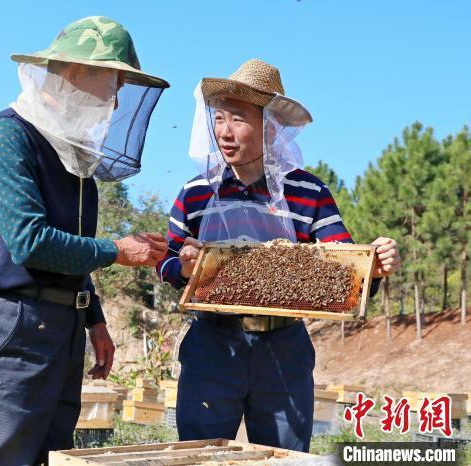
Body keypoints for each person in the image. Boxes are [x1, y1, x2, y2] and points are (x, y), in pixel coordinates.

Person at [156, 59, 400, 452]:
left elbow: (345, 266)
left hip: (283, 349)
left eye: (238, 119)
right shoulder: (196, 191)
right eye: (219, 119)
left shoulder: (308, 191)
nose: (224, 131)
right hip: (212, 345)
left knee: (286, 458)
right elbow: (163, 261)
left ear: (270, 126)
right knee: (199, 456)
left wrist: (378, 262)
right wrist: (183, 266)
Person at [0, 16, 169, 465]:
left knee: (54, 455)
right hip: (17, 323)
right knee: (6, 456)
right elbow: (30, 241)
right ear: (76, 75)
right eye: (111, 84)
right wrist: (116, 250)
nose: (115, 101)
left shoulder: (72, 156)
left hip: (63, 324)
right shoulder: (8, 136)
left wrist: (93, 317)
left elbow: (71, 249)